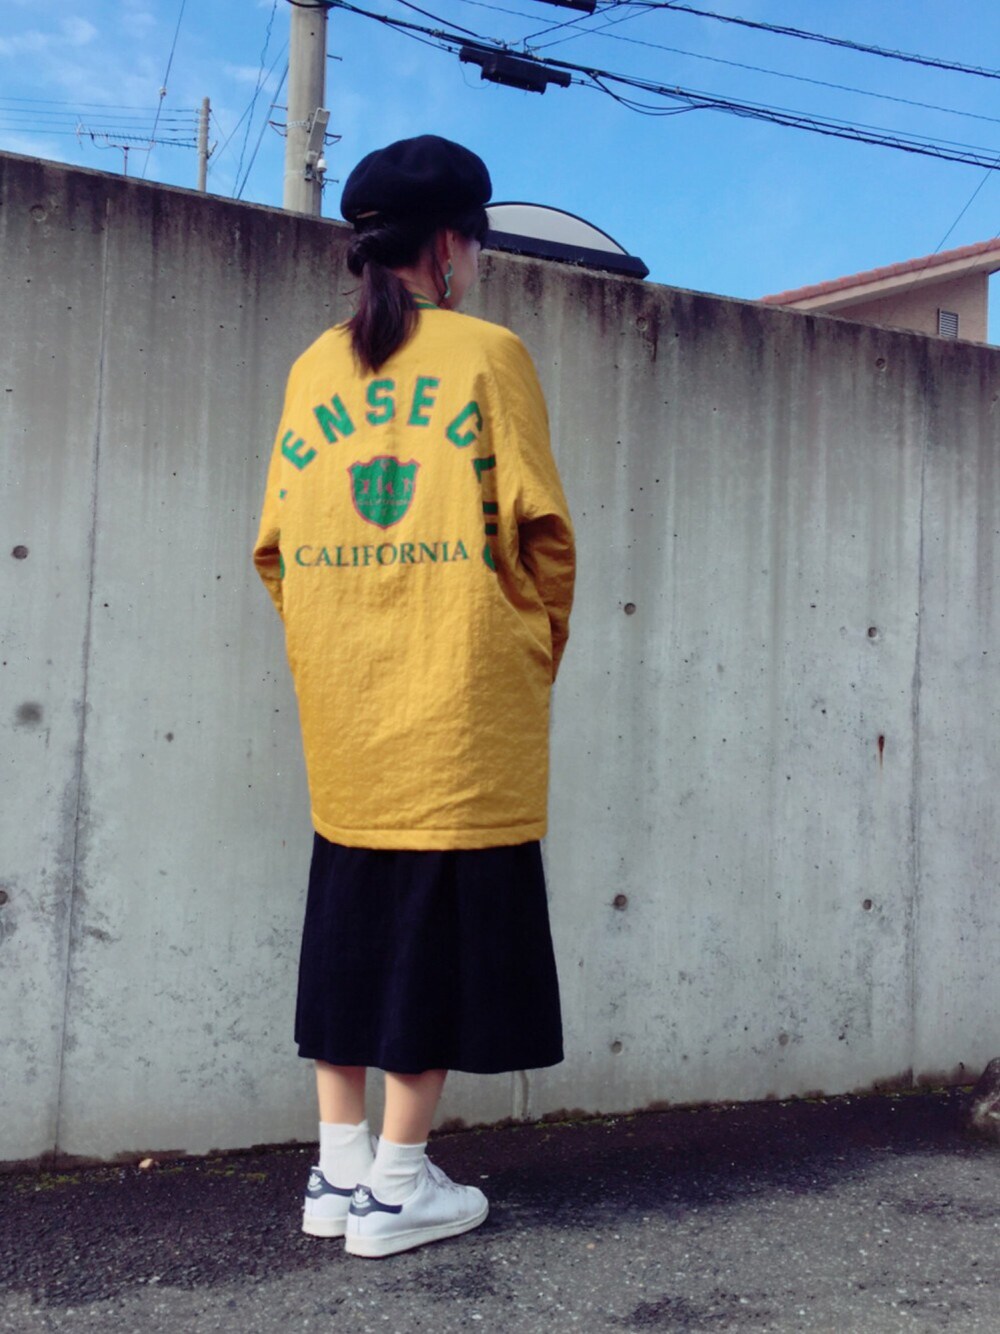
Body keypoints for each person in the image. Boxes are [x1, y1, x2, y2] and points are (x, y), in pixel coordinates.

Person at [253, 135, 575, 1259]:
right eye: (475, 242)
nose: (476, 262)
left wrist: (333, 643)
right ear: (448, 244)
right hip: (459, 698)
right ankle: (397, 1186)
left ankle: (337, 1169)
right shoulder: (489, 354)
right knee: (434, 933)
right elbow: (545, 537)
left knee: (348, 917)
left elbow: (274, 548)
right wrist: (528, 646)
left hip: (346, 697)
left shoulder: (312, 368)